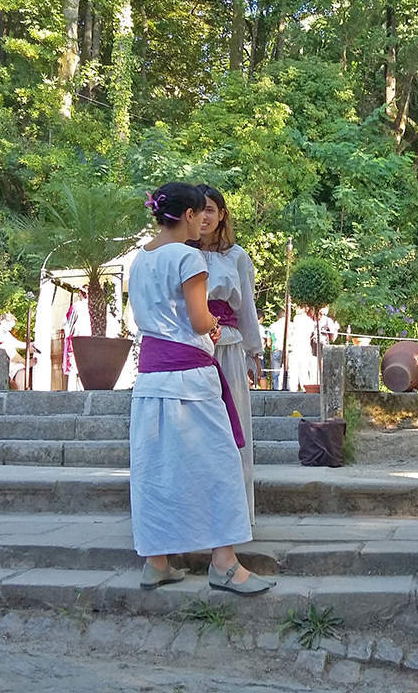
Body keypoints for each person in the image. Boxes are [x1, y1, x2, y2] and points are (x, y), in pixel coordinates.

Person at [128, 182, 273, 596]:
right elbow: (198, 319)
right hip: (190, 376)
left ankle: (156, 562)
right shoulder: (187, 256)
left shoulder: (140, 258)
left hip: (150, 378)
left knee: (155, 468)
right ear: (188, 215)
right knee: (219, 466)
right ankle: (224, 564)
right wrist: (213, 325)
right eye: (199, 213)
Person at [191, 184, 264, 524]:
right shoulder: (179, 253)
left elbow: (246, 307)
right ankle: (197, 517)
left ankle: (236, 517)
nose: (204, 217)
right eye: (199, 209)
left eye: (211, 209)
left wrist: (253, 352)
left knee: (235, 429)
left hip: (229, 346)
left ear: (221, 214)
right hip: (191, 346)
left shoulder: (237, 257)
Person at [63, 286, 90, 391]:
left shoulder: (76, 306)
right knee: (85, 367)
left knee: (73, 367)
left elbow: (69, 324)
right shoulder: (94, 306)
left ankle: (72, 391)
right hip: (90, 340)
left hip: (77, 339)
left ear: (80, 293)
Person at [267, 309, 286, 390]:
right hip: (288, 351)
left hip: (276, 350)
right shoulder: (291, 325)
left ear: (277, 317)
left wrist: (272, 347)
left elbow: (269, 343)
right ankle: (288, 389)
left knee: (276, 372)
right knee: (288, 372)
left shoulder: (272, 326)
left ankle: (276, 389)